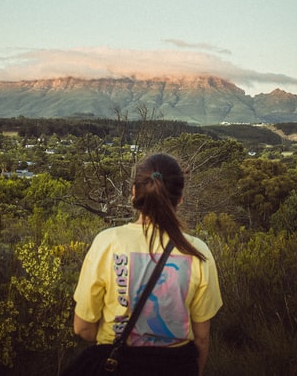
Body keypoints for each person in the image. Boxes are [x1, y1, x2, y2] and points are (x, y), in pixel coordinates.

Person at [73, 153, 222, 375]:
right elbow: (202, 338)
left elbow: (83, 327)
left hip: (119, 366)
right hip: (176, 367)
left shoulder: (107, 242)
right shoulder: (198, 252)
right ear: (180, 198)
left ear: (134, 192)